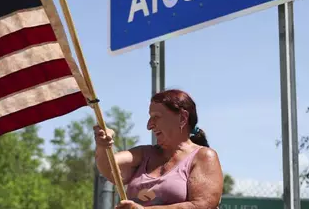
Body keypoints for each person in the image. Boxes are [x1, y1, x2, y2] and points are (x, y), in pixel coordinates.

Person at [94, 89, 223, 208]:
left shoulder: (203, 156)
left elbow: (202, 205)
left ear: (182, 118)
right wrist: (102, 145)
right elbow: (108, 166)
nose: (149, 125)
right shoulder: (143, 154)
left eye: (156, 117)